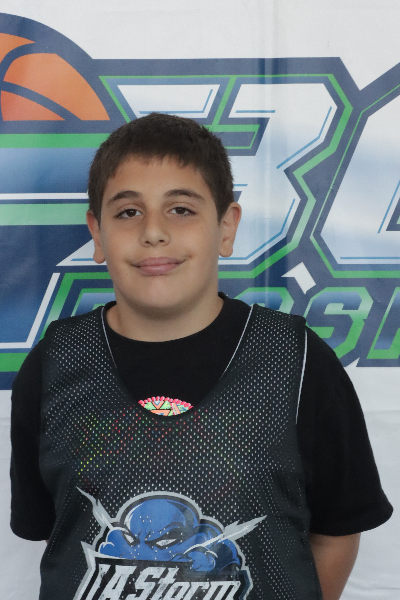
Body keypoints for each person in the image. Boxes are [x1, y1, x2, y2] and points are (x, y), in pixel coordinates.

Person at [10, 113, 392, 600]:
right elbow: (55, 530)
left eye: (181, 209)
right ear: (98, 234)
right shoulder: (54, 365)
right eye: (128, 212)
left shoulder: (297, 363)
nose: (153, 232)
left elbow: (338, 528)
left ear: (226, 227)